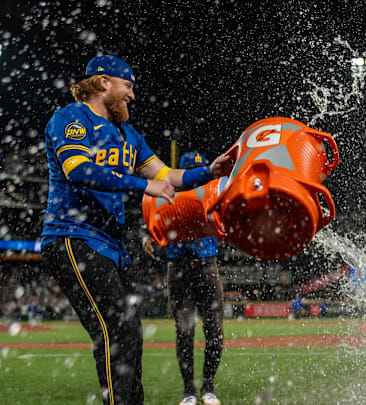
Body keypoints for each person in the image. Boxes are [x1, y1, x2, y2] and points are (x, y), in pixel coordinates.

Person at [40, 55, 233, 405]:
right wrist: (143, 186)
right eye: (127, 86)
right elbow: (78, 170)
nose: (132, 95)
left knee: (129, 331)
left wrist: (211, 171)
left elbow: (169, 176)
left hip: (108, 246)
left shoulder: (129, 135)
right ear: (103, 83)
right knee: (118, 329)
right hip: (72, 237)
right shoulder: (71, 118)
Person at [143, 151, 223, 405]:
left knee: (215, 331)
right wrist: (146, 235)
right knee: (184, 331)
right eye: (193, 171)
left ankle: (208, 388)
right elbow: (150, 217)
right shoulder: (167, 193)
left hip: (206, 265)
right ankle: (189, 391)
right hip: (178, 268)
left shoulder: (213, 192)